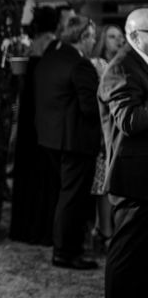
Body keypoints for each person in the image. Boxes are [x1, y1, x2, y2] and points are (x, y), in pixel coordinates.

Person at [34, 14, 100, 270]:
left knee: (65, 197)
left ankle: (64, 247)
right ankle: (65, 253)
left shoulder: (51, 58)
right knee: (73, 199)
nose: (95, 40)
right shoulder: (80, 65)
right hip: (75, 142)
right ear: (83, 37)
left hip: (50, 138)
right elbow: (91, 108)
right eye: (93, 35)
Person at [98, 9, 148, 297]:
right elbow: (129, 120)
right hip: (131, 177)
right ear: (134, 37)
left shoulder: (141, 63)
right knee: (126, 253)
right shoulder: (120, 67)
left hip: (144, 176)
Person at [9, 6, 60, 246]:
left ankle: (23, 227)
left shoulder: (25, 51)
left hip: (27, 120)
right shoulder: (53, 51)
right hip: (45, 119)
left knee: (27, 173)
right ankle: (42, 228)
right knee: (44, 175)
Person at [90, 24, 125, 251]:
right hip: (103, 133)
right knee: (103, 184)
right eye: (112, 37)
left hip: (117, 134)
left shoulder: (123, 64)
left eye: (120, 37)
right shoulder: (99, 65)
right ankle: (104, 231)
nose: (117, 41)